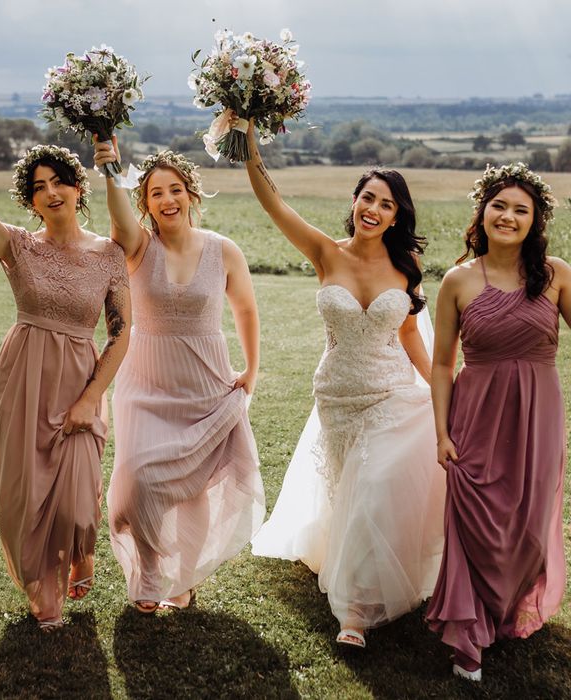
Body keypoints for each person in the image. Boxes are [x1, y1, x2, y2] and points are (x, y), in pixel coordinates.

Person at [239, 118, 445, 648]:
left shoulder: (407, 266)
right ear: (354, 201)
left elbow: (411, 339)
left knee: (372, 491)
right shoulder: (325, 252)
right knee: (346, 491)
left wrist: (448, 389)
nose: (374, 210)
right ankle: (348, 562)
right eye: (368, 198)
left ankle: (354, 613)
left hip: (392, 395)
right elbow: (273, 203)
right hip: (335, 396)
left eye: (387, 204)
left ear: (398, 216)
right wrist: (249, 143)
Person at [0, 102, 131, 631]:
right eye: (39, 186)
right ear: (31, 201)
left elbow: (121, 332)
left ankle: (77, 552)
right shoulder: (16, 247)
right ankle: (45, 591)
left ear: (77, 187)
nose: (51, 191)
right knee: (27, 489)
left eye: (59, 180)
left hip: (79, 377)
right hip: (23, 374)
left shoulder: (110, 254)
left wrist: (91, 396)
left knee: (77, 500)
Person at [93, 140, 265, 613]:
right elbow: (119, 216)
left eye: (175, 190)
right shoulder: (137, 246)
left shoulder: (224, 251)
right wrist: (110, 168)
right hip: (145, 381)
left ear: (191, 194)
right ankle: (150, 568)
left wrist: (252, 367)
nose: (167, 200)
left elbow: (246, 308)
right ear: (144, 204)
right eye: (155, 193)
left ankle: (182, 580)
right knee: (136, 482)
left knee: (192, 485)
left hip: (205, 381)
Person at [426, 163, 569, 681]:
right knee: (477, 519)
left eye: (520, 210)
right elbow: (443, 364)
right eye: (499, 206)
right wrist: (442, 432)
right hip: (476, 415)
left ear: (536, 221)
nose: (508, 216)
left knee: (528, 524)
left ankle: (505, 609)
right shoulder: (459, 280)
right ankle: (468, 635)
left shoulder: (555, 275)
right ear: (482, 212)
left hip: (539, 416)